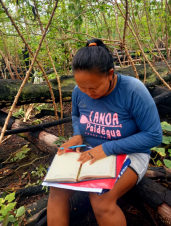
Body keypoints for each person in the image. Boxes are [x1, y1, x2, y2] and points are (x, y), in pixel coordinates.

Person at [47, 39, 162, 226]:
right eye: (82, 88)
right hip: (90, 149)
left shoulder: (133, 90)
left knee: (101, 199)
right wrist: (77, 134)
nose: (87, 92)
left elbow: (153, 135)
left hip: (130, 153)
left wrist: (107, 148)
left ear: (110, 74)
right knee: (56, 190)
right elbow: (76, 115)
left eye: (93, 88)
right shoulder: (79, 91)